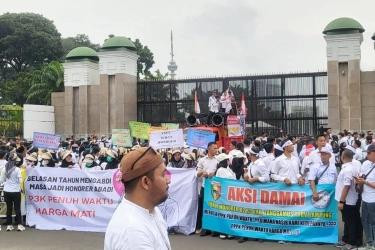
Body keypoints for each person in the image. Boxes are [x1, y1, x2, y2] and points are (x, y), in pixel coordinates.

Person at [104, 147, 171, 250]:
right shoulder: (133, 232)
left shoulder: (151, 210)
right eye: (163, 175)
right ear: (145, 182)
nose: (168, 180)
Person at [334, 149, 362, 249]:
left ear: (343, 157)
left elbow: (346, 186)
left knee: (350, 221)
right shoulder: (348, 168)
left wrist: (341, 201)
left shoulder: (348, 169)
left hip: (348, 200)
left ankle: (352, 242)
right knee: (347, 220)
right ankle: (345, 239)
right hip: (348, 199)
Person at [195, 142, 218, 236]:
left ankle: (214, 228)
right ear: (209, 148)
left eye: (217, 148)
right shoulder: (202, 160)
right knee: (204, 207)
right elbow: (196, 173)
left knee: (214, 207)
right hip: (204, 186)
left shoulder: (218, 160)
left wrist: (215, 173)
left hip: (215, 187)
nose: (216, 150)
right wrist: (202, 172)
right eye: (214, 148)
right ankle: (204, 227)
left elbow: (223, 170)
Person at [356, 144, 375, 250]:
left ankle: (373, 244)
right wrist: (359, 180)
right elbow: (361, 174)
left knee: (373, 223)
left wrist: (365, 182)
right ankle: (369, 243)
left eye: (369, 153)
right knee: (365, 221)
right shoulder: (367, 163)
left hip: (373, 200)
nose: (367, 155)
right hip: (365, 198)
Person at [0, 153, 25, 231]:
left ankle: (9, 225)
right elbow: (20, 180)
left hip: (7, 191)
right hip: (15, 191)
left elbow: (1, 180)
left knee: (9, 208)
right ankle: (19, 225)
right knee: (17, 208)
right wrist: (16, 181)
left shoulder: (4, 169)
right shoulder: (17, 169)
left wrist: (6, 182)